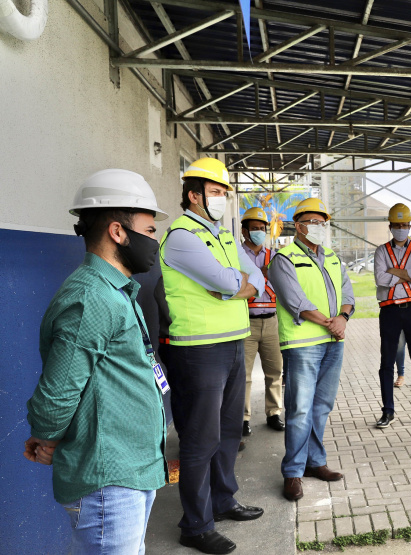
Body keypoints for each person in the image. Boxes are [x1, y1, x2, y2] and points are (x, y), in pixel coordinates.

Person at [25, 169, 169, 554]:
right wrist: (48, 435)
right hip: (109, 480)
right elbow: (56, 397)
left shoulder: (115, 291)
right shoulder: (91, 298)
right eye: (151, 230)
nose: (155, 241)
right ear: (119, 233)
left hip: (132, 470)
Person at [160, 158, 265, 554]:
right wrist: (233, 284)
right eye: (218, 192)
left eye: (224, 193)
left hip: (233, 342)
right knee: (200, 440)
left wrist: (235, 286)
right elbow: (228, 280)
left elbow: (254, 278)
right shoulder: (183, 236)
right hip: (199, 349)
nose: (223, 200)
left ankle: (223, 501)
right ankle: (195, 525)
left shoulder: (222, 236)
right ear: (195, 195)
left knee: (228, 432)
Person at [269, 198, 355, 502]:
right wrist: (330, 323)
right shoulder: (283, 258)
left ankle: (315, 462)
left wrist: (342, 319)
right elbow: (296, 301)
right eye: (313, 221)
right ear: (299, 224)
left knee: (321, 407)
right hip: (303, 343)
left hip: (334, 343)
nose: (319, 227)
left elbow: (348, 294)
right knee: (300, 409)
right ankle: (292, 472)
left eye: (323, 222)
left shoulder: (332, 257)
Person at [372, 203, 411, 429]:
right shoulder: (381, 251)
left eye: (404, 225)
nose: (401, 228)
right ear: (390, 226)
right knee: (386, 362)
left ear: (410, 226)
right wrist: (409, 276)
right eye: (397, 225)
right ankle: (388, 411)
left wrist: (394, 273)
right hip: (389, 309)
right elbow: (380, 279)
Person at [239, 206, 284, 437]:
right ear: (244, 231)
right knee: (244, 374)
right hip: (245, 322)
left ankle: (274, 413)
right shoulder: (236, 255)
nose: (259, 232)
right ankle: (243, 418)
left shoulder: (275, 256)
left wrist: (266, 274)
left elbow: (283, 286)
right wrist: (261, 274)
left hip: (272, 320)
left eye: (262, 228)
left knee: (274, 370)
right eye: (254, 228)